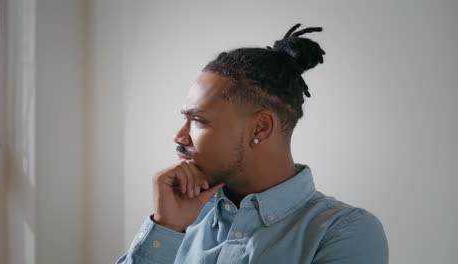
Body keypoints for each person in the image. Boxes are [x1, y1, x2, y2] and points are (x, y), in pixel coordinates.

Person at [116, 23, 388, 264]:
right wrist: (168, 227)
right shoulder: (183, 219)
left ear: (260, 127)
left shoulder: (343, 232)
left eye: (198, 120)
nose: (179, 137)